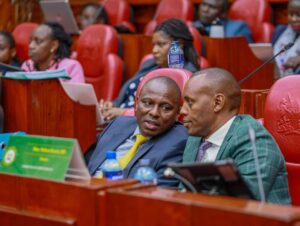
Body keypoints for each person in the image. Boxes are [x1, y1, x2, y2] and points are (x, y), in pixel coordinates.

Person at [180, 68, 291, 204]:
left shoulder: (254, 140)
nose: (182, 110)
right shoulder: (195, 138)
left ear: (218, 103)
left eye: (190, 102)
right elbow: (183, 191)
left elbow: (242, 204)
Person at [86, 76, 188, 187]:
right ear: (137, 103)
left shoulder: (179, 141)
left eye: (166, 108)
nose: (154, 113)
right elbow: (87, 167)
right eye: (148, 103)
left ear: (178, 113)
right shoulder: (119, 124)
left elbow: (158, 194)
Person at [101, 18, 199, 121]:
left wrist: (122, 112)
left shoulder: (187, 76)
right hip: (116, 119)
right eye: (153, 45)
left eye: (161, 44)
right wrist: (111, 105)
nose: (154, 50)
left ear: (178, 44)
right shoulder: (149, 65)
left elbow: (166, 114)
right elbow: (127, 94)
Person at [272, 0, 300, 77]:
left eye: (299, 15)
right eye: (291, 14)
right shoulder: (279, 31)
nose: (294, 19)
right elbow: (271, 55)